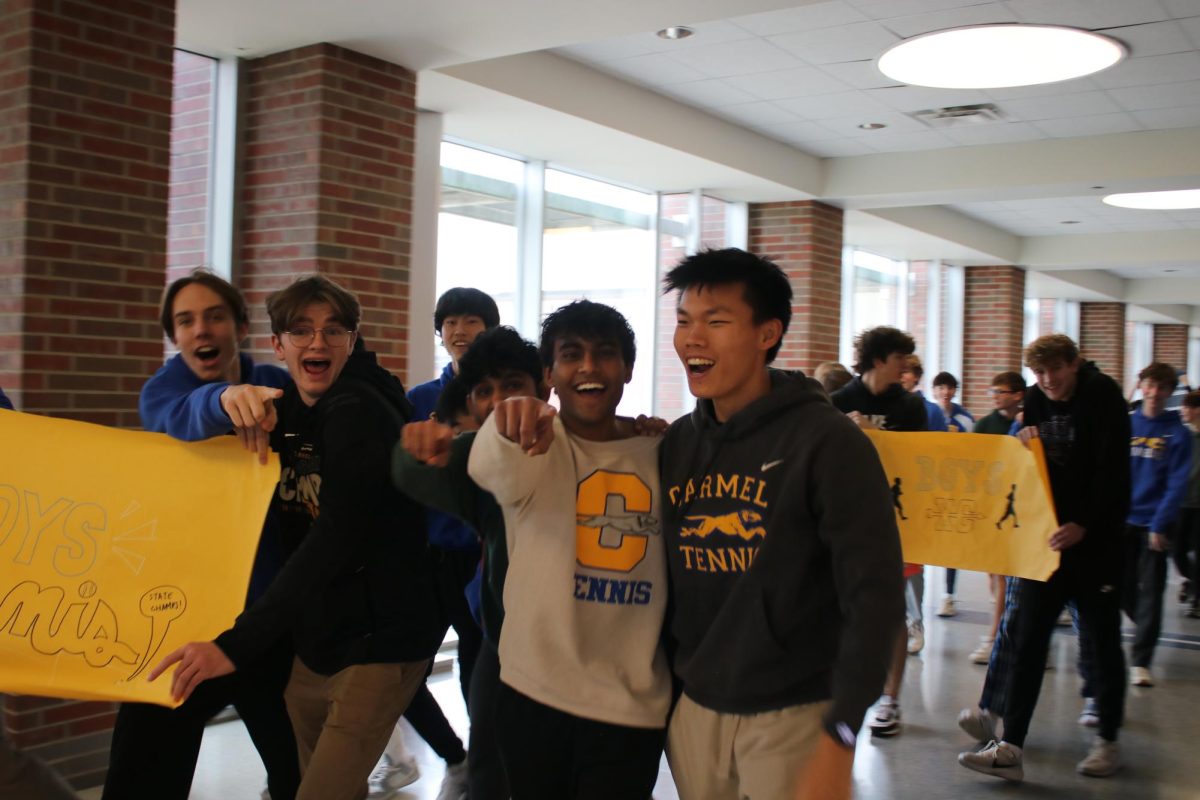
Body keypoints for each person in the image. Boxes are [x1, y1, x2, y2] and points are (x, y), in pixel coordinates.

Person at [149, 275, 443, 800]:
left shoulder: (355, 410)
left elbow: (335, 535)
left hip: (380, 639)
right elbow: (167, 411)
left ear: (353, 341)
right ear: (278, 344)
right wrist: (224, 403)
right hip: (314, 639)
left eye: (334, 330)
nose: (317, 342)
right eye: (301, 330)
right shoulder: (283, 407)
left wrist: (236, 644)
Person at [661, 249, 903, 800]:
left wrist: (840, 734)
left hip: (794, 713)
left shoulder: (829, 442)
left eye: (716, 322)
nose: (692, 339)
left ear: (767, 333)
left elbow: (875, 596)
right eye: (683, 321)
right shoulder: (678, 442)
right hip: (696, 710)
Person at [103, 270, 301, 800]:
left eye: (214, 315)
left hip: (267, 621)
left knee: (300, 773)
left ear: (239, 324)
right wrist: (225, 401)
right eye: (185, 321)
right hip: (187, 624)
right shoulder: (165, 389)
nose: (200, 330)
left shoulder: (280, 385)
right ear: (174, 335)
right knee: (142, 774)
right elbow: (180, 414)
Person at [467, 301, 671, 799]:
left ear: (627, 368)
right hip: (533, 692)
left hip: (631, 705)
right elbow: (489, 469)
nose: (588, 367)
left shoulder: (667, 454)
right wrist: (510, 419)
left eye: (605, 354)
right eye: (571, 354)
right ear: (549, 374)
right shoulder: (531, 442)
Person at [959, 334, 1131, 782]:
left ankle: (1107, 740)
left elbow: (1113, 473)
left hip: (1096, 545)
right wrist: (1022, 445)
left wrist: (1086, 525)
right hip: (1048, 544)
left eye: (1056, 369)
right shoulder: (1035, 400)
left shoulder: (1104, 397)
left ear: (1073, 364)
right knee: (1028, 639)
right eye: (1040, 373)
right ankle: (1011, 746)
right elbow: (1034, 467)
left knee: (1100, 641)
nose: (1048, 380)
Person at [393, 325, 547, 800]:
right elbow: (406, 469)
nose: (500, 402)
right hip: (503, 647)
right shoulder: (478, 462)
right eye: (485, 391)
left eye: (513, 386)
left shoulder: (577, 450)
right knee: (489, 776)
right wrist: (416, 442)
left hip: (580, 655)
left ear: (543, 385)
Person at [374, 288, 500, 800]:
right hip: (429, 561)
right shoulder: (421, 399)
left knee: (479, 675)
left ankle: (484, 769)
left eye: (472, 320)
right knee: (400, 671)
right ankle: (456, 756)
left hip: (482, 559)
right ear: (440, 332)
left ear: (489, 330)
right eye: (451, 322)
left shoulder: (502, 399)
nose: (461, 330)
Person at [831, 325, 927, 737]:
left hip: (894, 520)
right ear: (878, 359)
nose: (906, 367)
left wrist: (876, 437)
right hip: (842, 518)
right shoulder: (837, 401)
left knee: (893, 613)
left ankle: (890, 699)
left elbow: (921, 461)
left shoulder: (911, 407)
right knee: (835, 607)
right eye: (899, 358)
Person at [1084, 362, 1189, 689]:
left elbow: (1177, 484)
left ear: (1170, 393)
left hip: (1154, 526)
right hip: (1121, 520)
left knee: (1152, 591)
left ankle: (1141, 660)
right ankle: (1144, 624)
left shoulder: (1179, 434)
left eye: (1162, 388)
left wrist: (1160, 524)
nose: (1155, 393)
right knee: (1122, 588)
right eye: (1150, 385)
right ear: (1140, 386)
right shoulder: (1126, 425)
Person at [930, 371, 975, 618]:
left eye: (949, 388)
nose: (945, 393)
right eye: (940, 388)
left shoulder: (965, 419)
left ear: (954, 391)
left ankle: (948, 595)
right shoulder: (924, 412)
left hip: (953, 488)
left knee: (951, 542)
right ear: (934, 390)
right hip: (928, 486)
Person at [1176, 390, 1200, 618]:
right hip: (1182, 503)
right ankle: (1192, 581)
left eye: (1189, 407)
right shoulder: (1183, 436)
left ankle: (1196, 598)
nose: (1184, 411)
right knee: (1178, 551)